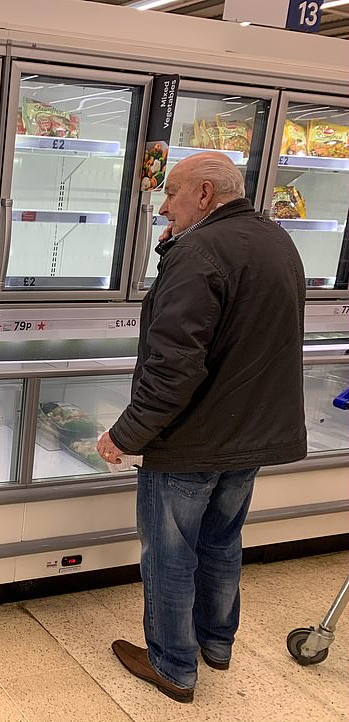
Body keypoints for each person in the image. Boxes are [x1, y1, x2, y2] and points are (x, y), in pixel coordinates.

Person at [96, 151, 307, 704]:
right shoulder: (276, 241)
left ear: (206, 194)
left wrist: (126, 434)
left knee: (171, 552)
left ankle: (172, 665)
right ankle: (215, 644)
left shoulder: (197, 253)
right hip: (250, 434)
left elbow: (175, 366)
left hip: (193, 440)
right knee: (222, 541)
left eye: (171, 194)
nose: (164, 207)